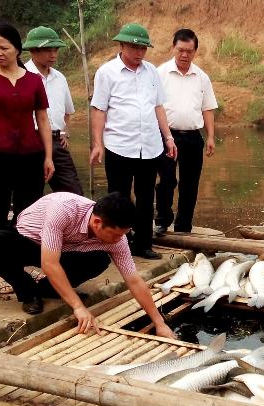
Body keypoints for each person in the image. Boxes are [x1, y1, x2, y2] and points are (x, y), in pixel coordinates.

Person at [0, 191, 176, 338]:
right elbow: (49, 263)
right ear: (97, 223)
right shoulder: (64, 210)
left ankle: (47, 289)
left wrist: (159, 323)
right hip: (28, 241)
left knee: (99, 258)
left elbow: (134, 280)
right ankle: (28, 291)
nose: (118, 240)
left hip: (66, 251)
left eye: (121, 235)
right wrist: (78, 307)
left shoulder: (117, 239)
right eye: (114, 234)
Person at [90, 23, 177, 260]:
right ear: (122, 45)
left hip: (149, 145)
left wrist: (168, 137)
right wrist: (97, 143)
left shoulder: (151, 72)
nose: (139, 53)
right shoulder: (107, 73)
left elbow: (158, 106)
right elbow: (99, 109)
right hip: (119, 143)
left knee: (146, 196)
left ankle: (143, 244)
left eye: (143, 49)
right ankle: (115, 243)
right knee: (118, 198)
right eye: (134, 48)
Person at [0, 23, 54, 230]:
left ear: (17, 48)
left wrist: (48, 156)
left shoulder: (33, 80)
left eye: (3, 48)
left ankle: (22, 256)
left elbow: (42, 119)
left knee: (29, 211)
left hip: (31, 155)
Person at [154, 28, 217, 235]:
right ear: (173, 48)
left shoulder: (201, 77)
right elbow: (153, 105)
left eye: (189, 51)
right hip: (166, 136)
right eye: (180, 50)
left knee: (190, 184)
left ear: (195, 51)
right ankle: (162, 219)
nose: (184, 55)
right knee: (167, 180)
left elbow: (207, 108)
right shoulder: (160, 73)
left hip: (193, 137)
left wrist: (210, 137)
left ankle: (183, 227)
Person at [23, 26, 83, 195]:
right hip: (31, 142)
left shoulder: (60, 77)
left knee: (74, 194)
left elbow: (67, 111)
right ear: (33, 51)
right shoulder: (22, 75)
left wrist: (65, 132)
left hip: (57, 141)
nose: (53, 55)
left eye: (55, 50)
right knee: (30, 194)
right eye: (48, 50)